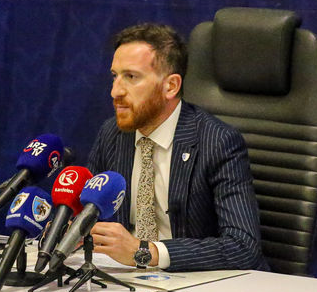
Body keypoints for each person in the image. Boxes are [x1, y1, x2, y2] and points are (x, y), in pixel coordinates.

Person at [86, 23, 269, 272]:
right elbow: (88, 213)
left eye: (131, 77)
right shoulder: (112, 134)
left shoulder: (217, 141)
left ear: (171, 86)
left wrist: (145, 252)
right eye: (114, 76)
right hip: (127, 279)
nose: (115, 91)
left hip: (200, 282)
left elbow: (243, 246)